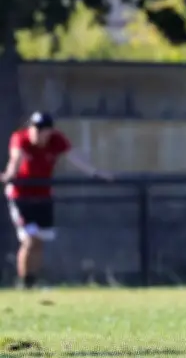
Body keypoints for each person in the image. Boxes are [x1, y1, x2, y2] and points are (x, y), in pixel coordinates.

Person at [1, 111, 113, 289]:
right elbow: (16, 159)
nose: (39, 134)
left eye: (43, 130)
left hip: (43, 196)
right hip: (21, 196)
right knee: (29, 240)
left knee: (39, 240)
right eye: (36, 129)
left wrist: (96, 172)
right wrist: (9, 175)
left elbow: (74, 157)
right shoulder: (20, 138)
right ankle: (24, 282)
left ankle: (32, 281)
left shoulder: (57, 140)